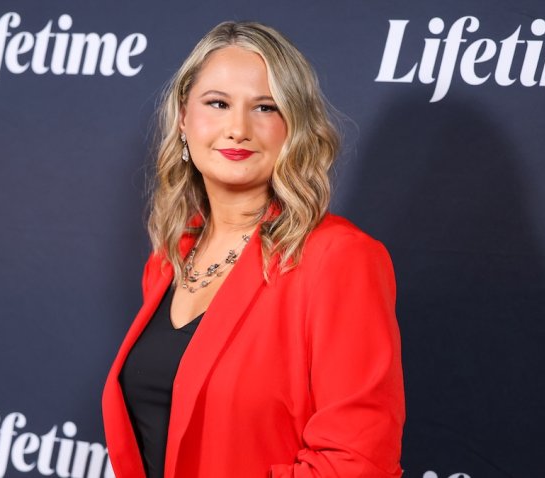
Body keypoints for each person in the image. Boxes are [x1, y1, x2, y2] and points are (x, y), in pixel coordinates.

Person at [102, 21, 404, 478]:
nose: (238, 128)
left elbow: (357, 462)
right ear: (184, 119)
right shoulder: (170, 256)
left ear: (294, 127)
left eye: (265, 107)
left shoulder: (338, 258)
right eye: (217, 103)